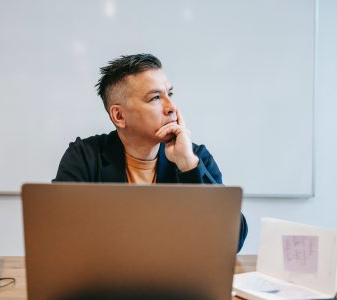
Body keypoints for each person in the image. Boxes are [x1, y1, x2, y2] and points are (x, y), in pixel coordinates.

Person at [53, 53, 247, 251]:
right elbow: (58, 234)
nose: (171, 107)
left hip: (177, 278)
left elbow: (232, 242)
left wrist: (189, 166)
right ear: (119, 115)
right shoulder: (84, 157)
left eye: (169, 94)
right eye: (155, 98)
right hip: (105, 277)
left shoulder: (193, 156)